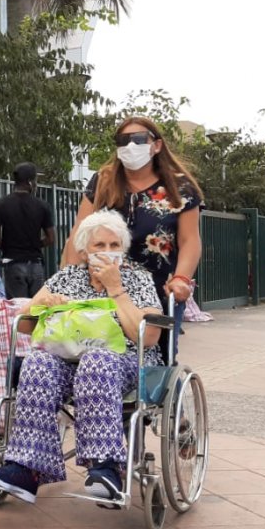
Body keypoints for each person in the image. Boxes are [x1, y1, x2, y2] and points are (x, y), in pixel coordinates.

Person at [0, 210, 163, 506]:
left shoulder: (137, 279)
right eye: (99, 246)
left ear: (123, 249)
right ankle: (26, 470)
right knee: (38, 363)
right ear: (84, 251)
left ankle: (106, 468)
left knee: (95, 361)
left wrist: (116, 289)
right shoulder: (67, 277)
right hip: (68, 362)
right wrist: (45, 305)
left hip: (127, 361)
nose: (107, 252)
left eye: (114, 246)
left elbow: (148, 336)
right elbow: (23, 324)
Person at [62, 117, 203, 356]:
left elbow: (189, 240)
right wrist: (68, 279)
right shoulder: (103, 181)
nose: (130, 146)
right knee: (94, 350)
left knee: (160, 358)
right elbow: (80, 232)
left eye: (138, 139)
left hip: (158, 290)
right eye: (123, 140)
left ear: (156, 145)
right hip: (102, 287)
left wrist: (181, 279)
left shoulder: (180, 187)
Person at [0, 162, 55, 298]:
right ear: (30, 182)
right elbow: (51, 238)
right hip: (36, 264)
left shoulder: (1, 205)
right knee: (36, 310)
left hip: (13, 264)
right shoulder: (43, 206)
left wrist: (5, 246)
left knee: (18, 311)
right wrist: (37, 244)